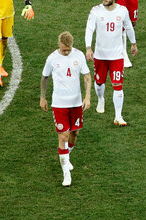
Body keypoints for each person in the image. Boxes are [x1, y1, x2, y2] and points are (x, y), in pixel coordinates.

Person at [40, 31, 91, 187]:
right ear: (59, 45)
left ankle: (66, 157)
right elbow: (45, 77)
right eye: (64, 50)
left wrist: (87, 96)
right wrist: (43, 97)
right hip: (59, 104)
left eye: (68, 49)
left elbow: (87, 76)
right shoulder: (52, 59)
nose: (67, 52)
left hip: (76, 103)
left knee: (74, 134)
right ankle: (66, 175)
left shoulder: (79, 56)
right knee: (63, 137)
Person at [85, 0, 137, 126]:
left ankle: (118, 116)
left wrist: (133, 44)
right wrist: (88, 48)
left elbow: (128, 27)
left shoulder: (122, 11)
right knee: (99, 82)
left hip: (117, 56)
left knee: (118, 85)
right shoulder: (96, 11)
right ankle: (101, 99)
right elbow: (89, 29)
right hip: (100, 55)